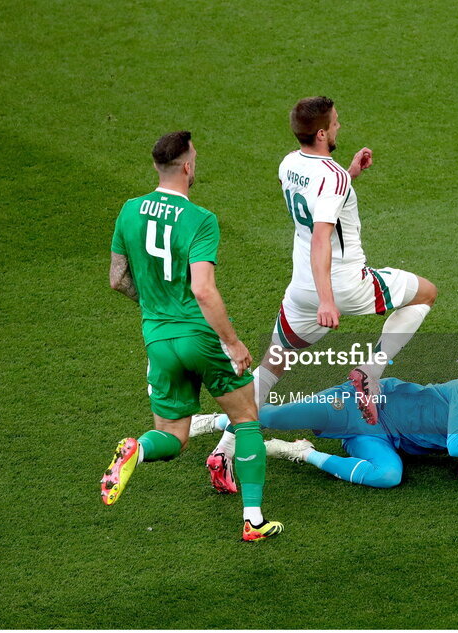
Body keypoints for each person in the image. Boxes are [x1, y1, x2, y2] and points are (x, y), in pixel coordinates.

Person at [205, 97, 438, 486]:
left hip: (301, 289)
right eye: (336, 123)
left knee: (272, 366)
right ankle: (371, 370)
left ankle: (224, 452)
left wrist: (349, 175)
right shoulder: (333, 178)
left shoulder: (289, 164)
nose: (340, 127)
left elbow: (315, 201)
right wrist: (330, 300)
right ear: (322, 132)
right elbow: (321, 238)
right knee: (426, 293)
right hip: (344, 283)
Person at [102, 130, 282, 541]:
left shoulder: (129, 211)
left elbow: (117, 280)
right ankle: (253, 520)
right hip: (199, 337)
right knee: (246, 417)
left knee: (172, 435)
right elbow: (203, 289)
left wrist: (158, 309)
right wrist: (233, 343)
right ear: (187, 166)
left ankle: (138, 448)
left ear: (156, 166)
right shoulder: (200, 219)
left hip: (157, 338)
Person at [193, 374, 458, 490]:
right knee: (272, 416)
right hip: (361, 405)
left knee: (388, 476)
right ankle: (213, 421)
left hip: (381, 439)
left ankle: (301, 452)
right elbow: (457, 443)